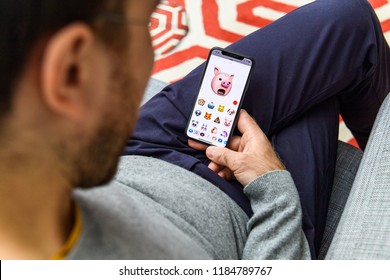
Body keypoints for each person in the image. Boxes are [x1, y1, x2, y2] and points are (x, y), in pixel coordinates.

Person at [0, 0, 388, 260]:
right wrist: (272, 187)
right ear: (72, 71)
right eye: (147, 21)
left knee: (344, 20)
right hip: (249, 211)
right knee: (328, 77)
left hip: (137, 150)